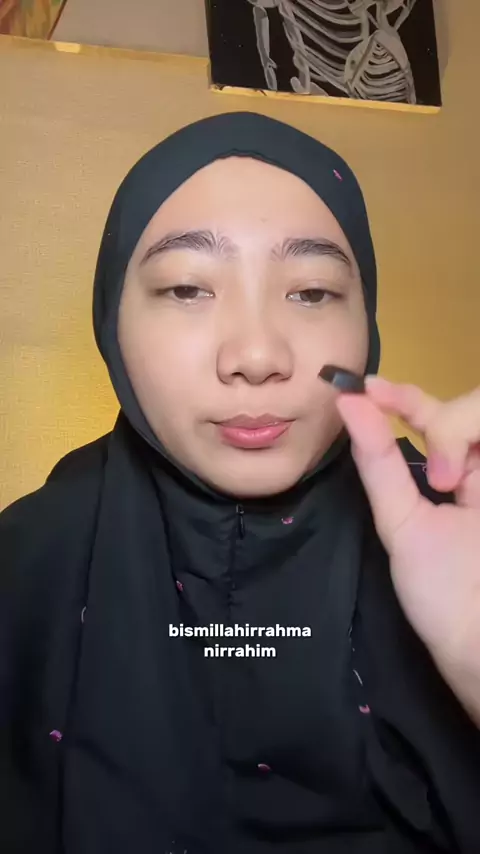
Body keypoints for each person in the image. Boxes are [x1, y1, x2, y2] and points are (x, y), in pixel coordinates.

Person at [1, 111, 480, 854]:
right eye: (187, 288)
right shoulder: (22, 564)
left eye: (312, 292)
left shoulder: (460, 534)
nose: (257, 355)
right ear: (111, 320)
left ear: (367, 320)